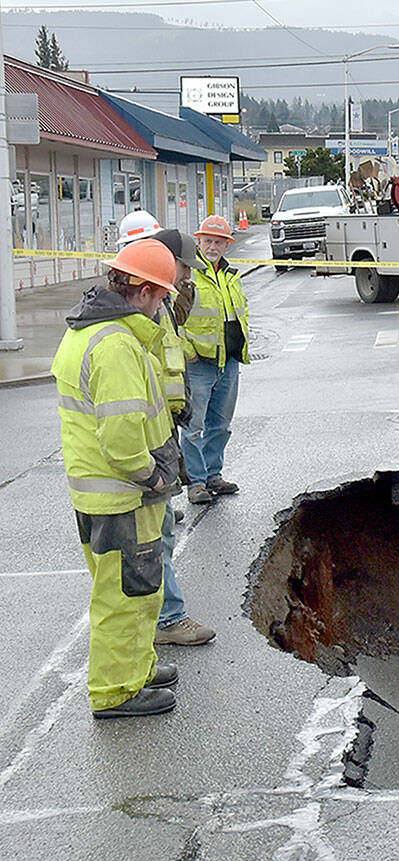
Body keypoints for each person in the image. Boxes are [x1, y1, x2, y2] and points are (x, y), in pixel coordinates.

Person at [50, 239, 182, 718]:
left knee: (136, 589)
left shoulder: (87, 332)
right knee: (125, 597)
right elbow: (123, 436)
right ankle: (116, 691)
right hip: (124, 495)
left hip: (99, 494)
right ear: (143, 291)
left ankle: (138, 667)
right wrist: (152, 476)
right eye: (162, 294)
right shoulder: (116, 346)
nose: (164, 304)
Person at [153, 228, 218, 646]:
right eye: (182, 268)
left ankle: (161, 619)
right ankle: (166, 620)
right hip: (148, 442)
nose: (185, 277)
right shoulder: (141, 315)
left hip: (162, 432)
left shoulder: (161, 307)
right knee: (154, 540)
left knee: (158, 535)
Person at [182, 215, 250, 503]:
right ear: (199, 241)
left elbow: (239, 314)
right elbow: (176, 320)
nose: (212, 246)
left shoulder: (230, 275)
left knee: (220, 425)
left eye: (218, 242)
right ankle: (196, 483)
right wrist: (189, 351)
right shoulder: (189, 274)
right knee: (194, 426)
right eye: (208, 240)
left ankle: (213, 475)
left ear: (226, 244)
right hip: (200, 363)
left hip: (229, 361)